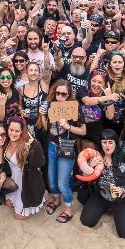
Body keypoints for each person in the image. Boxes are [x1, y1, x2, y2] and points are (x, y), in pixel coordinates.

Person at [37, 80, 85, 223]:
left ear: (69, 94)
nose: (60, 96)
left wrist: (68, 126)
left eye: (63, 94)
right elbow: (46, 128)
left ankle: (69, 209)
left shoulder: (75, 108)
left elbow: (83, 131)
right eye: (57, 93)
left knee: (62, 183)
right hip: (52, 145)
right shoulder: (51, 105)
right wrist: (42, 115)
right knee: (51, 181)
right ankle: (57, 200)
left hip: (67, 146)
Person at [79, 130, 125, 238]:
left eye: (110, 142)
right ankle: (105, 208)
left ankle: (120, 211)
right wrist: (90, 166)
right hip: (101, 197)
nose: (107, 146)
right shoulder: (95, 158)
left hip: (121, 200)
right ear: (100, 143)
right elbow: (85, 178)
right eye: (104, 142)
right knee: (86, 221)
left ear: (116, 143)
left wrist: (123, 190)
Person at [3, 116, 46, 220]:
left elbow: (40, 163)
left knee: (18, 217)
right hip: (13, 179)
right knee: (8, 203)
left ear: (22, 131)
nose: (13, 133)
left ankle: (41, 195)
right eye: (11, 129)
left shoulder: (28, 144)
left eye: (17, 131)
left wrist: (35, 145)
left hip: (26, 182)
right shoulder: (6, 140)